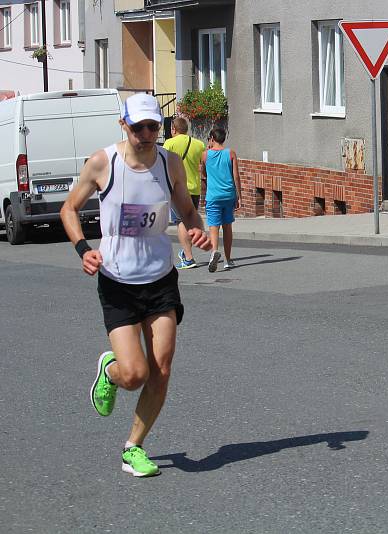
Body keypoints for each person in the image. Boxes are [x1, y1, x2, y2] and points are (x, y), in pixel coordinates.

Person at [60, 93, 212, 478]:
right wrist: (83, 249)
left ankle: (133, 447)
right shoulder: (102, 163)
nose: (146, 134)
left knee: (161, 368)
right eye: (138, 127)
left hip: (160, 278)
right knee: (135, 374)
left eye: (153, 127)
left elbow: (187, 209)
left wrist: (198, 228)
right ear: (123, 125)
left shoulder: (169, 162)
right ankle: (111, 371)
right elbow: (69, 209)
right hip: (117, 282)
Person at [163, 117, 206, 269]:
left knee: (180, 221)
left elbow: (164, 164)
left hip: (177, 188)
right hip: (194, 188)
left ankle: (188, 258)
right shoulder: (199, 144)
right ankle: (187, 251)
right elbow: (203, 165)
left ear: (173, 129)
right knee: (189, 220)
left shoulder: (169, 143)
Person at [200, 128, 242, 272]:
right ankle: (228, 259)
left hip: (213, 196)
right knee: (227, 226)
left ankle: (214, 253)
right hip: (228, 195)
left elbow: (203, 175)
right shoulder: (231, 153)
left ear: (212, 138)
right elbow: (236, 176)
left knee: (213, 226)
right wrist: (239, 195)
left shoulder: (205, 155)